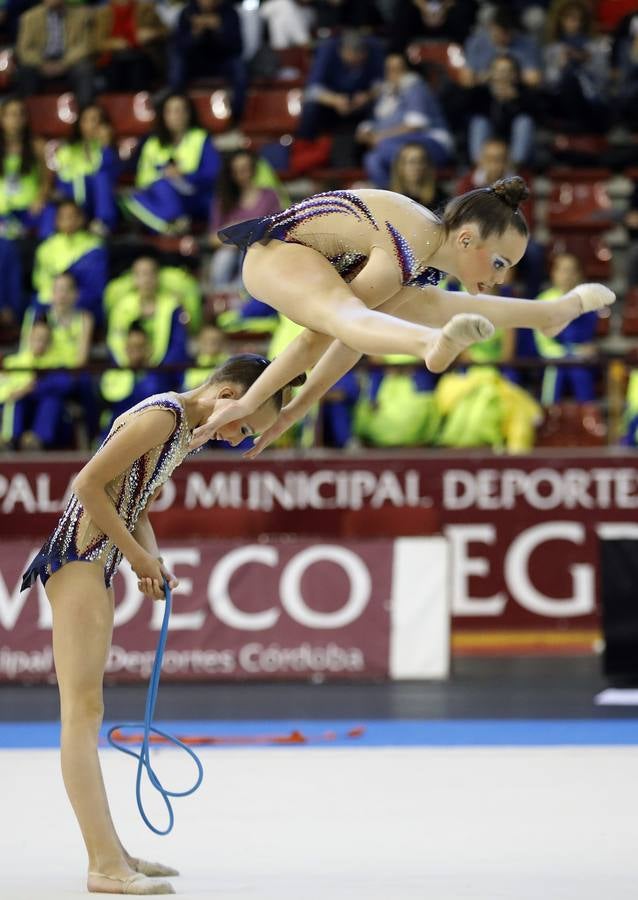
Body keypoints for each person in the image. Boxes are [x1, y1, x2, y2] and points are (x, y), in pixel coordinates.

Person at [19, 353, 305, 895]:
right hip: (76, 561)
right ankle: (103, 864)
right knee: (81, 715)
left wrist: (147, 558)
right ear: (227, 396)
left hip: (94, 561)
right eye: (246, 424)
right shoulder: (165, 417)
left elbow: (136, 504)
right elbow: (87, 484)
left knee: (87, 712)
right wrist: (135, 556)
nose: (240, 437)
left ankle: (114, 852)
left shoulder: (180, 428)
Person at [187, 178, 616, 451]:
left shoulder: (425, 252)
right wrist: (252, 401)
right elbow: (320, 337)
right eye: (500, 263)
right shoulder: (409, 243)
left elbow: (351, 340)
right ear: (466, 240)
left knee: (430, 305)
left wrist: (296, 409)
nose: (500, 278)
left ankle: (548, 313)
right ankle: (431, 342)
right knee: (374, 313)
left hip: (316, 261)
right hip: (273, 255)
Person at [122, 92, 221, 234]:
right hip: (161, 195)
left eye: (181, 110)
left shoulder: (200, 138)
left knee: (147, 195)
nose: (176, 115)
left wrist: (183, 175)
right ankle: (171, 224)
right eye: (171, 111)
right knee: (131, 198)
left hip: (193, 196)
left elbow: (212, 174)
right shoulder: (152, 143)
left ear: (189, 114)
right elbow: (143, 180)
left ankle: (166, 223)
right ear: (163, 115)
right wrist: (164, 175)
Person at [356, 52, 453, 187]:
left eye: (398, 69)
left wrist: (378, 137)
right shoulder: (386, 92)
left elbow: (415, 124)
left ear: (407, 70)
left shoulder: (415, 87)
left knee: (383, 145)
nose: (393, 74)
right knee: (372, 159)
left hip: (433, 142)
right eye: (389, 69)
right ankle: (392, 200)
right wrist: (366, 132)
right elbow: (376, 121)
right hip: (397, 143)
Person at [40, 103, 120, 238]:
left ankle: (103, 224)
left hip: (94, 204)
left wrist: (106, 146)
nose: (92, 125)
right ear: (79, 124)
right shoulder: (67, 150)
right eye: (86, 120)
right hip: (71, 202)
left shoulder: (107, 152)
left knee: (102, 177)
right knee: (50, 207)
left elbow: (112, 178)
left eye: (97, 120)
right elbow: (62, 182)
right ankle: (46, 241)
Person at [208, 150, 282, 290]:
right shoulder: (223, 201)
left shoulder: (269, 196)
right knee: (224, 256)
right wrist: (233, 233)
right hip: (230, 252)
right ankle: (221, 295)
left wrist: (251, 231)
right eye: (238, 170)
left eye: (246, 168)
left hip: (259, 250)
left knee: (249, 253)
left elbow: (278, 228)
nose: (244, 174)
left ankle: (244, 293)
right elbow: (212, 238)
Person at [534, 252, 598, 405]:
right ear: (553, 273)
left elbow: (587, 340)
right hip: (553, 359)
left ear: (580, 274)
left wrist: (586, 350)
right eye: (562, 270)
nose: (567, 275)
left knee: (581, 374)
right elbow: (543, 343)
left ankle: (588, 417)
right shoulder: (542, 301)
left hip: (579, 361)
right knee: (555, 372)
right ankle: (548, 414)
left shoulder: (588, 303)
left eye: (572, 271)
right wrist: (570, 352)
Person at [106, 255, 189, 372]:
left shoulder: (172, 307)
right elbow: (115, 342)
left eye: (151, 274)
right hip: (127, 370)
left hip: (163, 371)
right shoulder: (121, 307)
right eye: (141, 274)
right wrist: (129, 365)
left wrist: (156, 369)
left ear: (157, 277)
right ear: (134, 279)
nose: (146, 279)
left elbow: (178, 347)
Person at [0, 317, 74, 450]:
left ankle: (36, 442)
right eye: (37, 338)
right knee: (14, 402)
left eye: (44, 339)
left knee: (51, 401)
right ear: (29, 338)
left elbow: (66, 385)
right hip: (20, 407)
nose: (40, 343)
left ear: (50, 342)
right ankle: (8, 441)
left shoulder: (56, 363)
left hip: (43, 409)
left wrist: (34, 387)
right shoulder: (12, 363)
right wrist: (19, 392)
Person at [297, 30, 384, 141]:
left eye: (358, 60)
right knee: (310, 107)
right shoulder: (327, 50)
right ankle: (305, 144)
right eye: (350, 59)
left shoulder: (374, 49)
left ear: (365, 53)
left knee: (381, 103)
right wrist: (334, 100)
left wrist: (368, 95)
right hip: (332, 101)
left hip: (362, 100)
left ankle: (373, 143)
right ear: (342, 51)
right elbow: (311, 90)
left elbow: (382, 84)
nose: (354, 63)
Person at [32, 200, 108, 324]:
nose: (68, 221)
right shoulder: (45, 248)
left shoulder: (94, 246)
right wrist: (55, 298)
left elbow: (95, 286)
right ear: (56, 221)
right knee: (35, 306)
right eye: (63, 217)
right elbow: (41, 281)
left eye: (72, 216)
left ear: (81, 219)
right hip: (51, 301)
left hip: (81, 303)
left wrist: (68, 298)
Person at [168, 0, 246, 121]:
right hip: (196, 63)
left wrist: (219, 29)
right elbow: (179, 47)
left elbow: (237, 47)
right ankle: (179, 109)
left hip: (221, 61)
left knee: (239, 66)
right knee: (177, 62)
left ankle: (236, 116)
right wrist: (195, 34)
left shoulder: (229, 12)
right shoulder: (188, 12)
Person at [543, 0, 610, 134]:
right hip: (562, 102)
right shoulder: (552, 49)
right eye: (571, 19)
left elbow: (604, 81)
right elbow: (549, 84)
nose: (576, 24)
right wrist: (560, 66)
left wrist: (588, 62)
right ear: (561, 21)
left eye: (580, 20)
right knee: (568, 79)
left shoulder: (595, 47)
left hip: (591, 102)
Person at [15, 0, 94, 107]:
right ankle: (27, 111)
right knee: (25, 71)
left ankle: (84, 112)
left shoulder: (80, 16)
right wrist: (41, 63)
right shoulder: (29, 17)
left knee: (84, 69)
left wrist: (64, 63)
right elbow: (23, 49)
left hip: (69, 61)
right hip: (40, 63)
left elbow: (84, 45)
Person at [467, 53, 538, 167]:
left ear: (515, 75)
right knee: (479, 122)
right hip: (489, 140)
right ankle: (480, 166)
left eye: (507, 71)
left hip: (516, 146)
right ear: (491, 73)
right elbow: (464, 110)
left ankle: (514, 168)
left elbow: (538, 116)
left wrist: (515, 101)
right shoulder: (481, 92)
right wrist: (494, 99)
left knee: (524, 122)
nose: (503, 76)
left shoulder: (525, 94)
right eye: (499, 71)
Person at [0, 95, 48, 239]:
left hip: (30, 208)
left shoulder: (37, 145)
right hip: (2, 211)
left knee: (51, 213)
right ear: (2, 118)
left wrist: (40, 199)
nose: (17, 119)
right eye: (12, 114)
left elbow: (46, 180)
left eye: (21, 114)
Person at [460, 5, 542, 89]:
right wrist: (490, 76)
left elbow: (534, 79)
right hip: (483, 91)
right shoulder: (476, 43)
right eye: (499, 32)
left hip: (516, 92)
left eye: (507, 33)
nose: (503, 37)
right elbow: (466, 79)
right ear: (491, 26)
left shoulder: (527, 44)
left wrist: (507, 77)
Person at [94, 0, 167, 93]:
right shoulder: (103, 13)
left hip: (142, 56)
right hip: (113, 58)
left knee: (138, 66)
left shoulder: (146, 9)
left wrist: (152, 33)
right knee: (116, 69)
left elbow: (166, 32)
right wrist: (112, 43)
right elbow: (96, 42)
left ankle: (140, 100)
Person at [389, 142, 448, 210]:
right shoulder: (387, 196)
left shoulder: (441, 197)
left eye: (421, 161)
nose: (417, 167)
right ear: (400, 166)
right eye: (411, 162)